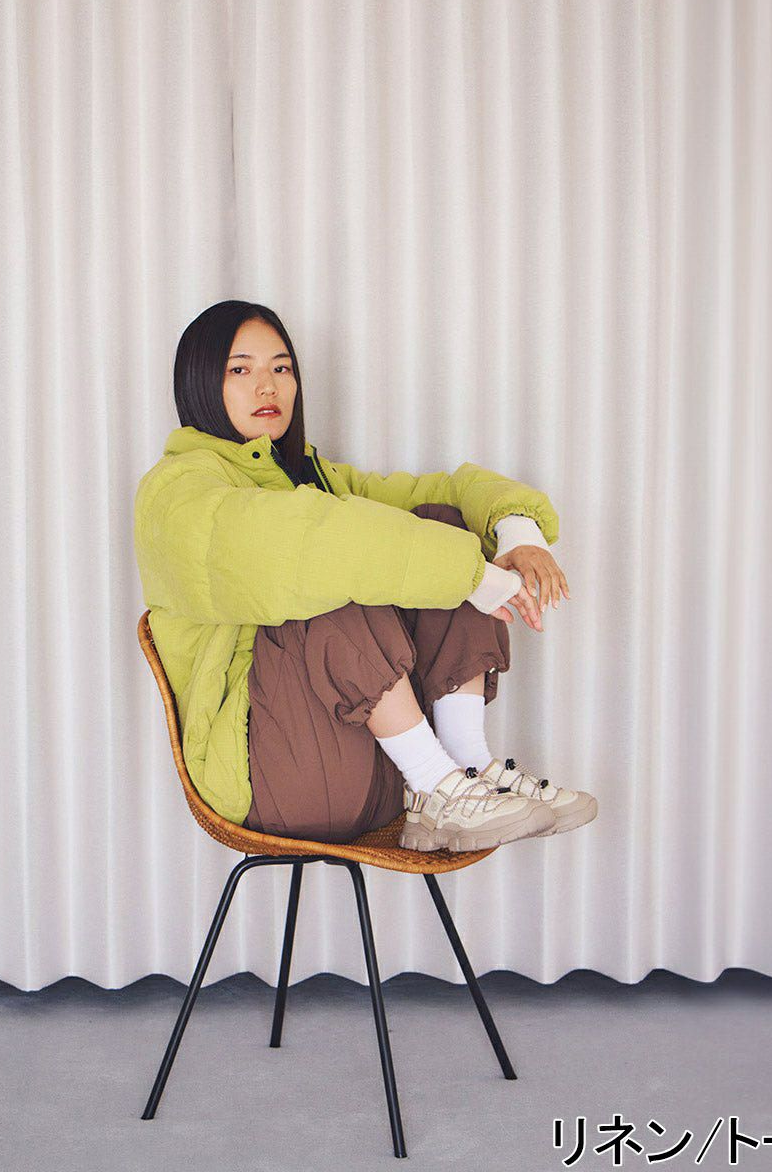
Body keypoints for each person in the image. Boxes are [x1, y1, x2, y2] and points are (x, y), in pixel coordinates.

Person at [133, 300, 597, 852]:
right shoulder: (177, 490)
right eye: (240, 369)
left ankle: (462, 771)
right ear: (201, 383)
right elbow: (305, 544)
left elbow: (444, 494)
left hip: (376, 776)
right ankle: (435, 778)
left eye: (281, 367)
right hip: (273, 782)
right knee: (328, 565)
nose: (268, 386)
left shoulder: (315, 478)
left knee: (439, 523)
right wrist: (470, 576)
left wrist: (517, 530)